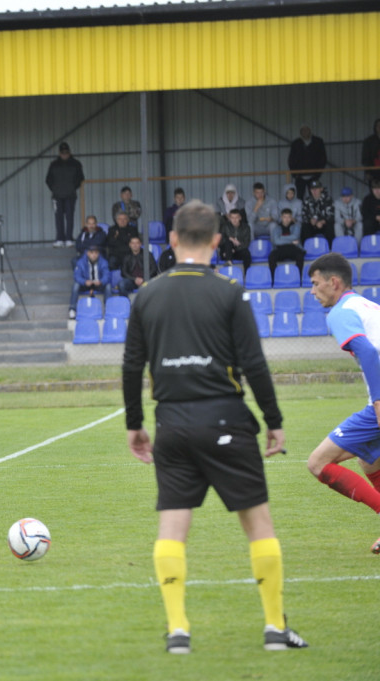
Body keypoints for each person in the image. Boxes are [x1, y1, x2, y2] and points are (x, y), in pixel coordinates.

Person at [123, 199, 308, 655]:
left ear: (171, 240)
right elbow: (254, 364)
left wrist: (135, 424)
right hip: (227, 420)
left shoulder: (146, 295)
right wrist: (274, 421)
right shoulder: (230, 292)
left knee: (172, 529)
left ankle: (179, 630)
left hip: (172, 425)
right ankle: (273, 628)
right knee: (258, 524)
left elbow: (131, 367)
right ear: (217, 241)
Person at [305, 252, 380, 556]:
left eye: (315, 283)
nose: (312, 291)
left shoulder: (340, 311)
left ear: (333, 282)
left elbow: (369, 353)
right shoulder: (365, 305)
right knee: (369, 460)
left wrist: (377, 401)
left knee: (318, 463)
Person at [45, 141, 85, 248]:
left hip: (70, 195)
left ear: (69, 152)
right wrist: (55, 189)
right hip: (57, 196)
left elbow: (80, 178)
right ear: (59, 153)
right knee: (58, 217)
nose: (64, 154)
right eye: (62, 153)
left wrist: (72, 187)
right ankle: (59, 239)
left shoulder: (76, 164)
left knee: (70, 217)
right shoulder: (54, 164)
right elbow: (48, 180)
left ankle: (69, 239)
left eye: (66, 152)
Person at [68, 245, 109, 319]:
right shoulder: (80, 262)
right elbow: (77, 276)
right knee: (75, 285)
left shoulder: (103, 262)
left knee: (108, 286)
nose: (94, 255)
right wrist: (84, 282)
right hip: (86, 284)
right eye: (91, 253)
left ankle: (108, 309)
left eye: (96, 253)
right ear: (87, 253)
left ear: (98, 254)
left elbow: (107, 275)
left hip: (98, 284)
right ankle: (72, 309)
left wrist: (101, 281)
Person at [288, 125, 327, 199]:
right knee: (299, 196)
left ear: (310, 131)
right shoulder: (296, 143)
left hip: (314, 175)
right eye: (303, 130)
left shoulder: (318, 141)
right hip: (299, 176)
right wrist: (295, 174)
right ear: (300, 132)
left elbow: (323, 158)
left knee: (315, 195)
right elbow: (291, 159)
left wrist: (318, 173)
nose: (305, 132)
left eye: (307, 130)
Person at [268, 209, 305, 284]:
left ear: (291, 218)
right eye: (285, 217)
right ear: (281, 217)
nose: (287, 219)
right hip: (280, 249)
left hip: (293, 248)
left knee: (300, 256)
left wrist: (281, 237)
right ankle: (274, 279)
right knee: (271, 256)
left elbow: (295, 236)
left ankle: (299, 278)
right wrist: (291, 241)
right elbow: (276, 241)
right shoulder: (276, 228)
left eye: (289, 217)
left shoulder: (296, 226)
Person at [301, 179, 335, 247]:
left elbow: (331, 215)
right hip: (312, 225)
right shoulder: (307, 201)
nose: (314, 191)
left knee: (330, 227)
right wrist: (310, 220)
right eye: (312, 189)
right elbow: (304, 215)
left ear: (321, 189)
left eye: (316, 189)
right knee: (304, 227)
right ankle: (308, 248)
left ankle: (330, 248)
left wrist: (323, 221)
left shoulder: (328, 199)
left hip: (324, 224)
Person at [218, 209, 252, 273]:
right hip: (226, 252)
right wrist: (230, 239)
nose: (234, 220)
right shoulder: (225, 226)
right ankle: (229, 261)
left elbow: (246, 243)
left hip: (237, 251)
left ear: (240, 218)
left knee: (247, 253)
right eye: (232, 218)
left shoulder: (246, 227)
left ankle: (247, 273)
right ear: (229, 218)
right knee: (228, 241)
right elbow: (220, 241)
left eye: (236, 217)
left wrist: (235, 249)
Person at [362, 117, 380, 185]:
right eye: (378, 126)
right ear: (375, 127)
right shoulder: (369, 141)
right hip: (374, 171)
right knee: (375, 190)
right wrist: (367, 172)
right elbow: (365, 157)